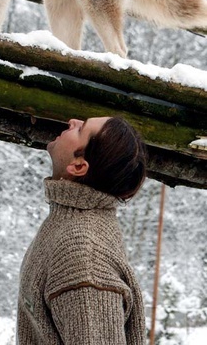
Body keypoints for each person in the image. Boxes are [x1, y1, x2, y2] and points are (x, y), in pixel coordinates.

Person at [17, 116, 147, 345]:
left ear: (78, 166)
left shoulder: (83, 257)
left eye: (81, 129)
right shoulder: (68, 220)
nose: (72, 121)